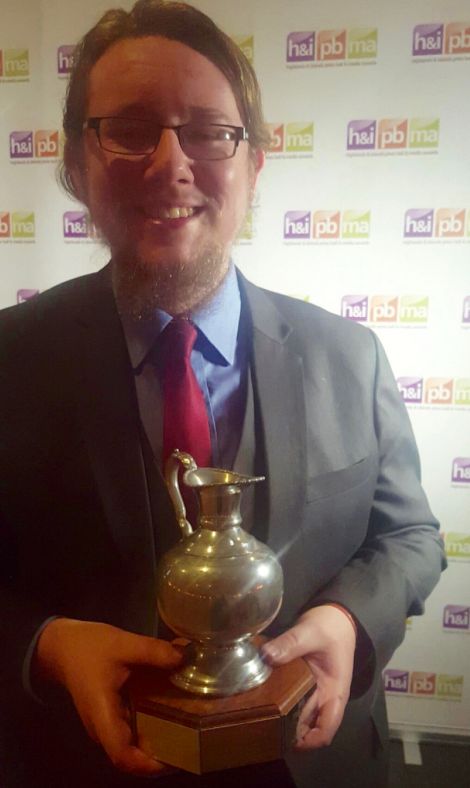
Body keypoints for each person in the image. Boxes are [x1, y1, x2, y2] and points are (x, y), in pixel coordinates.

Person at [0, 2, 445, 787]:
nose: (171, 163)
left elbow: (410, 537)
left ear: (255, 163)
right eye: (130, 128)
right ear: (77, 160)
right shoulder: (8, 359)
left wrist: (348, 622)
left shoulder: (353, 356)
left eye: (209, 131)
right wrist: (46, 644)